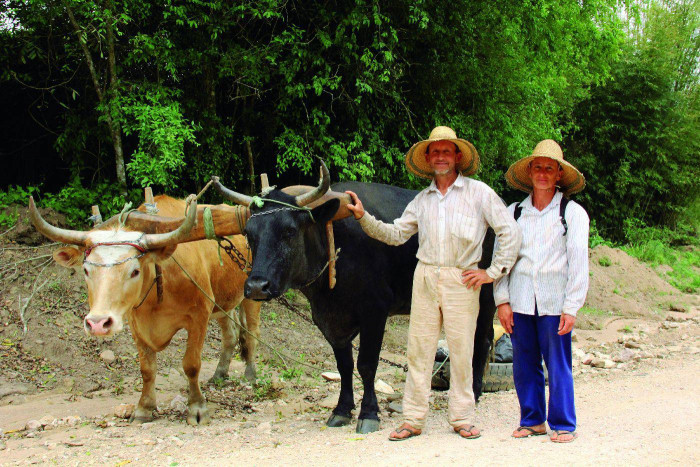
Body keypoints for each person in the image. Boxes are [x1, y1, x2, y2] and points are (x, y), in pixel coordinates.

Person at [345, 126, 521, 441]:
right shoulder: (422, 200)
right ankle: (413, 419)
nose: (440, 156)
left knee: (462, 351)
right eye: (435, 151)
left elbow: (509, 231)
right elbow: (396, 234)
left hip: (462, 278)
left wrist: (491, 272)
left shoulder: (479, 193)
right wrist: (363, 217)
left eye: (446, 151)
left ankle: (462, 418)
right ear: (428, 158)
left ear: (457, 156)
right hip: (425, 276)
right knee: (419, 351)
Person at [493, 139, 589, 443]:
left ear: (559, 174)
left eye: (550, 168)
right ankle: (532, 419)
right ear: (530, 172)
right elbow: (502, 259)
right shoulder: (514, 213)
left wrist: (572, 306)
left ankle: (563, 423)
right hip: (520, 299)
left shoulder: (572, 213)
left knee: (558, 363)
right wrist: (502, 300)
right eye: (538, 167)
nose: (543, 173)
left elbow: (578, 263)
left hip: (554, 301)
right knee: (524, 362)